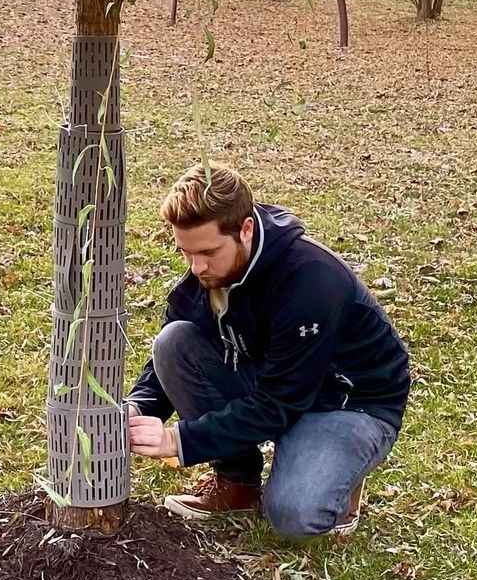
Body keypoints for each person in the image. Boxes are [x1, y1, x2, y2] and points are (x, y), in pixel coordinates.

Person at [126, 164, 410, 540]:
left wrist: (178, 440)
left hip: (348, 403)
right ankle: (237, 484)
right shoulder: (209, 272)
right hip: (273, 378)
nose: (196, 267)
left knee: (293, 515)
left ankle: (340, 474)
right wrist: (138, 407)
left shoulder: (310, 281)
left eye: (208, 252)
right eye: (186, 253)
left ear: (245, 229)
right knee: (174, 341)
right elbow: (171, 354)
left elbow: (280, 403)